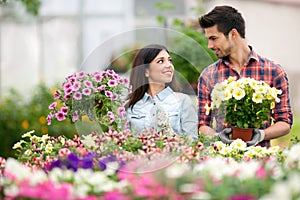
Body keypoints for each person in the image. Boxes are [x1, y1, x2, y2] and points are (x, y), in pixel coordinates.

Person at [197, 5, 293, 147]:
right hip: (222, 163)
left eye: (213, 38)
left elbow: (284, 122)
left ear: (233, 34)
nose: (209, 45)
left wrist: (262, 134)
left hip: (260, 162)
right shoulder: (208, 76)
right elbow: (202, 125)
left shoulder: (273, 71)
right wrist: (218, 137)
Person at [126, 44, 198, 140]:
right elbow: (123, 142)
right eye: (161, 61)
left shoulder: (183, 101)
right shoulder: (131, 106)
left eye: (170, 60)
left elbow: (192, 141)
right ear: (146, 71)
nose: (168, 65)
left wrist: (172, 137)